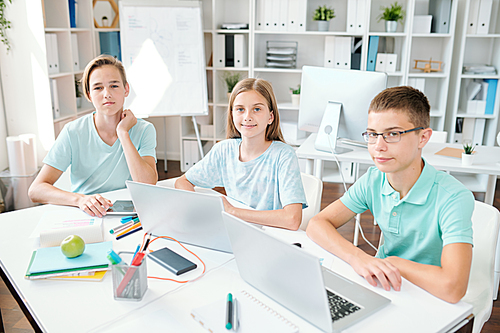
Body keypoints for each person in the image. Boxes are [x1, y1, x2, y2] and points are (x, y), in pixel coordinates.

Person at [306, 86, 474, 303]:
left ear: (423, 138)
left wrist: (393, 263)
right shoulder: (373, 179)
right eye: (373, 135)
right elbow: (317, 224)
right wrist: (358, 257)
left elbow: (453, 288)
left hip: (429, 295)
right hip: (382, 284)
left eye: (393, 134)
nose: (378, 147)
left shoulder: (453, 197)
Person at [29, 55, 158, 217]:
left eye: (114, 85)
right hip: (85, 213)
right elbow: (36, 190)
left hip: (128, 212)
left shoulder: (144, 129)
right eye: (98, 88)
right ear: (89, 95)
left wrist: (123, 133)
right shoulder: (73, 131)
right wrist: (80, 200)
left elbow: (147, 184)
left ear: (126, 89)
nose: (107, 94)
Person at [175, 78, 307, 230]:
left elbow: (292, 219)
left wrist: (232, 211)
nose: (247, 116)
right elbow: (183, 182)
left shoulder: (284, 155)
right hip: (233, 229)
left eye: (257, 109)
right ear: (232, 115)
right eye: (240, 109)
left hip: (268, 234)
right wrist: (200, 207)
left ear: (270, 117)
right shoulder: (224, 150)